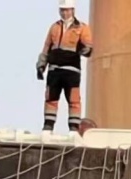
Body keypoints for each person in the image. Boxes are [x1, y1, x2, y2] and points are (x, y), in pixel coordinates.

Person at [37, 0, 93, 133]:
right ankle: (48, 126)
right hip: (54, 70)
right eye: (62, 10)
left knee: (74, 100)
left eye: (67, 10)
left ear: (72, 10)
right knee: (51, 98)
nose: (64, 13)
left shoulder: (82, 28)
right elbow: (46, 48)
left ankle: (73, 128)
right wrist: (41, 65)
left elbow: (88, 47)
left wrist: (84, 49)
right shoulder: (54, 27)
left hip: (71, 71)